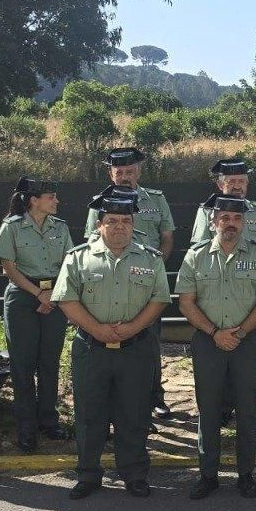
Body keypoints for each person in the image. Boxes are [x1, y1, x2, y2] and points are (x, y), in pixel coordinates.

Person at [53, 188, 171, 499]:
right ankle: (88, 475)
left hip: (136, 350)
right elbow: (66, 299)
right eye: (112, 220)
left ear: (133, 225)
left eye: (126, 221)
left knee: (134, 413)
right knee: (90, 415)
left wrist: (132, 327)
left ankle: (134, 474)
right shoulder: (78, 258)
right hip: (92, 349)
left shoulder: (151, 258)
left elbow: (159, 300)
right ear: (99, 225)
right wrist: (98, 329)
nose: (119, 226)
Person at [175, 194, 256, 500]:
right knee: (208, 409)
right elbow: (186, 301)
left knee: (247, 409)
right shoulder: (195, 256)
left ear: (243, 223)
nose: (230, 224)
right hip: (208, 341)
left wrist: (240, 332)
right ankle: (208, 475)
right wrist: (214, 332)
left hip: (247, 342)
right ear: (213, 223)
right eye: (224, 219)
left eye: (236, 219)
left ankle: (245, 474)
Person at [82, 146, 175, 421]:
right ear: (111, 174)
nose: (125, 176)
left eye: (130, 171)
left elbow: (166, 237)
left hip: (145, 283)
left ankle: (154, 398)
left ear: (139, 172)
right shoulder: (100, 202)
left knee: (150, 343)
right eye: (119, 172)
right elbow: (90, 240)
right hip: (110, 284)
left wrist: (152, 271)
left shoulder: (156, 199)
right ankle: (117, 404)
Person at [0, 177, 72, 452]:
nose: (57, 201)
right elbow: (7, 267)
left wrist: (51, 295)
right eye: (52, 197)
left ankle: (49, 421)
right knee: (22, 365)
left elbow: (67, 264)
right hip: (22, 296)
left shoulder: (60, 227)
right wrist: (38, 294)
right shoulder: (11, 226)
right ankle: (26, 428)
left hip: (55, 295)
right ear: (34, 201)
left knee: (49, 361)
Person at [191, 158, 256, 258]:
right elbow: (200, 252)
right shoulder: (207, 211)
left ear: (247, 183)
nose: (237, 186)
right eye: (232, 181)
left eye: (241, 181)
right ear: (220, 185)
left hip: (254, 271)